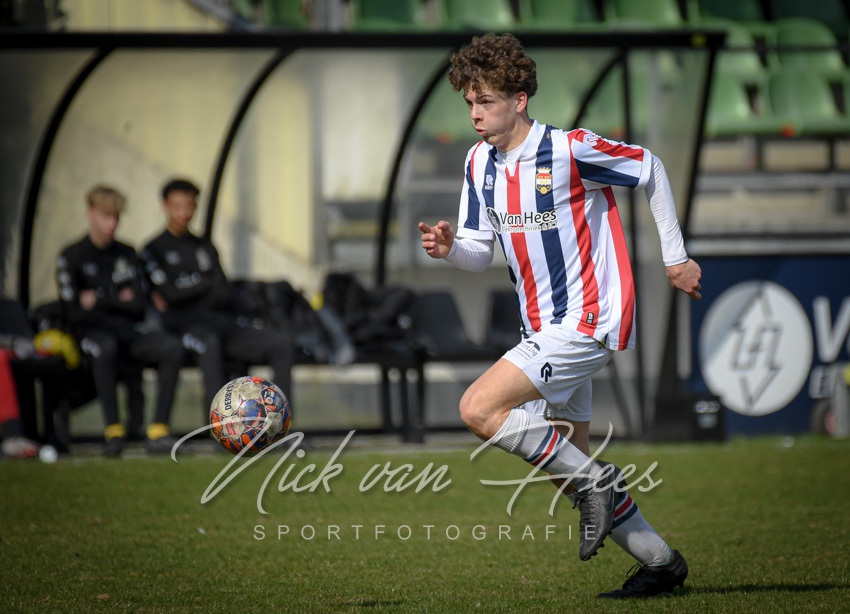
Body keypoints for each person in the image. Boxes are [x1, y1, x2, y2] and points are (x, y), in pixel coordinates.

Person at [418, 33, 701, 599]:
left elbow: (649, 168)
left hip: (588, 318)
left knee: (478, 408)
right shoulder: (479, 162)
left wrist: (676, 258)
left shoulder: (569, 150)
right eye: (470, 102)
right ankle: (662, 564)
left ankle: (599, 482)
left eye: (486, 102)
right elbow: (479, 251)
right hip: (542, 328)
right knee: (564, 470)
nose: (475, 114)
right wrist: (450, 249)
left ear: (519, 99)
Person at [140, 178, 294, 418]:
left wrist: (185, 290)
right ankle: (218, 425)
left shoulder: (204, 247)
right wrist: (203, 284)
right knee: (209, 344)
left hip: (219, 322)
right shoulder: (153, 249)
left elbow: (222, 291)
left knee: (281, 344)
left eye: (189, 206)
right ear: (165, 207)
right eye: (177, 206)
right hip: (182, 327)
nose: (184, 213)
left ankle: (280, 423)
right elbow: (169, 296)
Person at [56, 185, 186, 457]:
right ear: (90, 214)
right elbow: (74, 312)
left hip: (126, 330)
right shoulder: (72, 256)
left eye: (116, 217)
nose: (112, 224)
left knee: (172, 348)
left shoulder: (126, 253)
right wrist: (117, 297)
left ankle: (158, 429)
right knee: (105, 348)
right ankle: (113, 430)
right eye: (106, 216)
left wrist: (98, 297)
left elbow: (138, 305)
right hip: (90, 333)